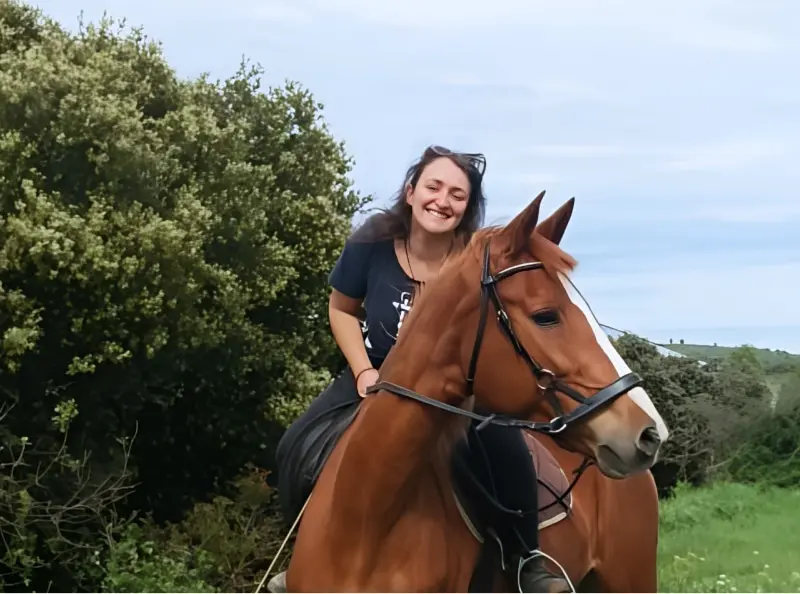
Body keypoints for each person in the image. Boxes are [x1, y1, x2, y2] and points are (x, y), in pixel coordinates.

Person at [274, 145, 570, 593]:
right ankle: (302, 553)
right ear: (411, 192)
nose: (442, 201)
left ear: (467, 208)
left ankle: (526, 558)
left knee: (508, 452)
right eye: (434, 187)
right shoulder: (372, 242)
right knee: (296, 445)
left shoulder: (475, 260)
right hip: (377, 374)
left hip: (458, 391)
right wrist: (363, 372)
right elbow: (341, 310)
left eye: (457, 195)